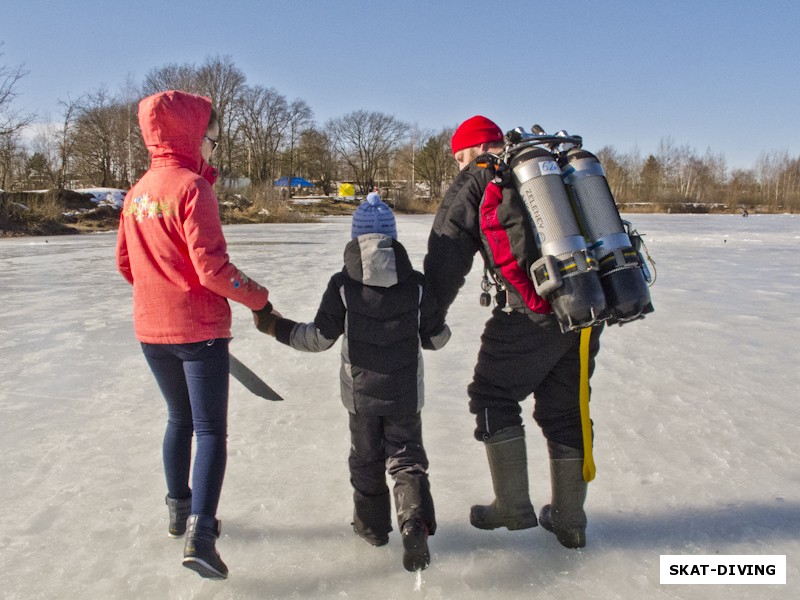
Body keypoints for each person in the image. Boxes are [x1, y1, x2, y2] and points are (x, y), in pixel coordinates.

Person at [116, 90, 279, 579]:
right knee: (209, 430)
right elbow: (212, 269)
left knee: (178, 419)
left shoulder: (137, 191)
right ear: (193, 134)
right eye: (212, 137)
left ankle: (177, 512)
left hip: (151, 330)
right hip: (199, 330)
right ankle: (201, 535)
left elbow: (126, 264)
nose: (214, 147)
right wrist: (260, 298)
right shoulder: (192, 188)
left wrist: (158, 291)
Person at [423, 115, 603, 549]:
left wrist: (428, 320)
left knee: (492, 396)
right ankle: (570, 519)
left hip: (529, 313)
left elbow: (447, 254)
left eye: (460, 155)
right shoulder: (549, 171)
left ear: (469, 149)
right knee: (567, 410)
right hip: (587, 307)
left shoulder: (480, 176)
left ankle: (512, 505)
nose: (460, 162)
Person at [254, 192, 451, 571]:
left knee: (365, 459)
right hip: (406, 394)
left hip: (360, 397)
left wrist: (276, 327)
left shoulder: (342, 286)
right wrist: (435, 331)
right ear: (393, 238)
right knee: (406, 458)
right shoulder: (418, 285)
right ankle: (414, 524)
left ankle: (372, 528)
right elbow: (437, 338)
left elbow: (318, 339)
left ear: (354, 238)